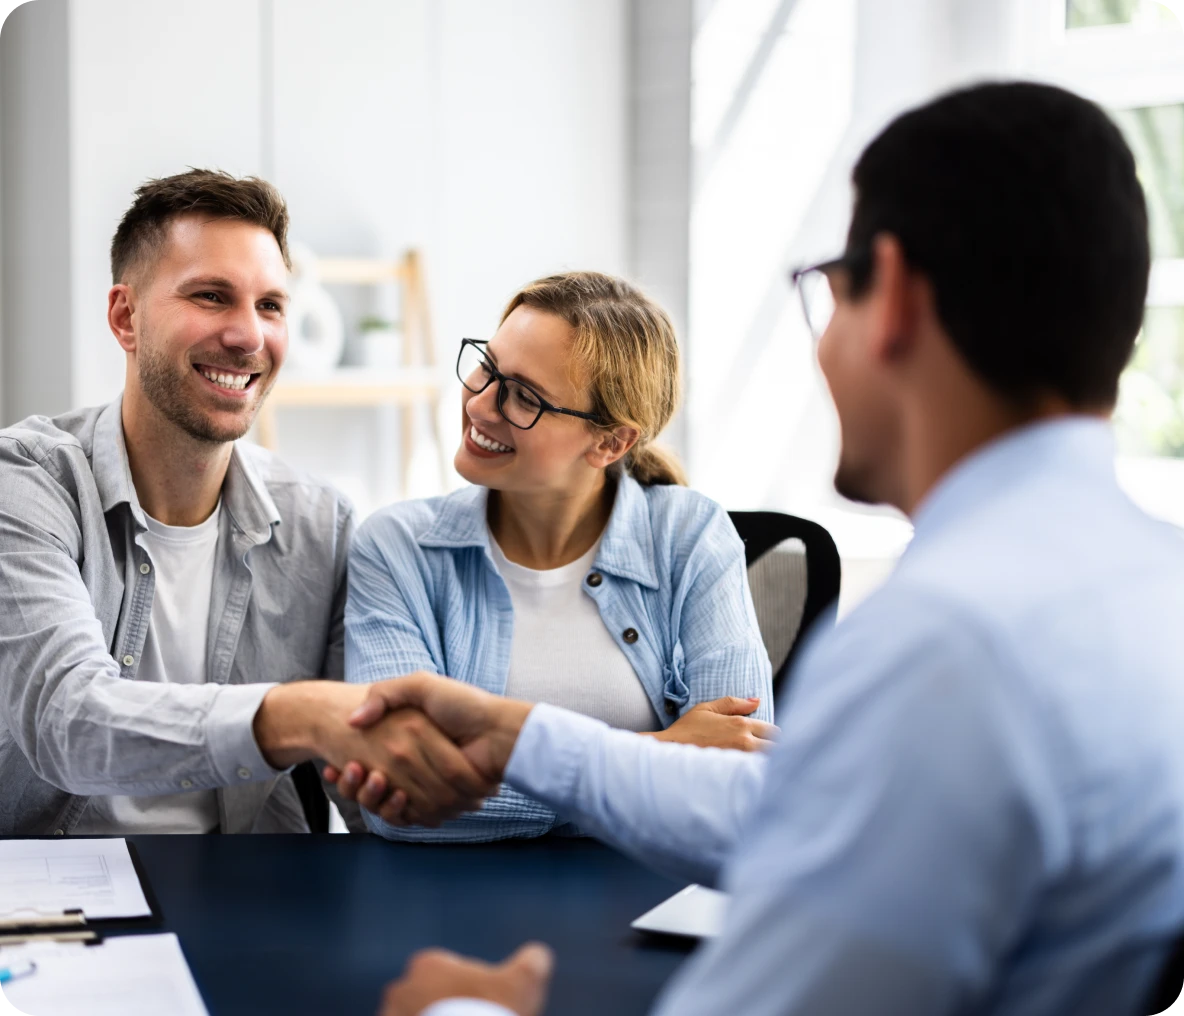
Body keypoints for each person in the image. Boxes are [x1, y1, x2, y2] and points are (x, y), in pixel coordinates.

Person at [331, 81, 1184, 1015]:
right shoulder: (1153, 590)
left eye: (829, 288)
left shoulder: (943, 650)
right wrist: (525, 741)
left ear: (890, 295)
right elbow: (791, 815)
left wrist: (472, 1009)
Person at [0, 169, 491, 836]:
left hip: (259, 898)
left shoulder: (323, 525)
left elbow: (377, 797)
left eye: (271, 306)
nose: (249, 337)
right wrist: (298, 716)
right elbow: (69, 723)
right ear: (126, 317)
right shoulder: (28, 483)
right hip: (59, 908)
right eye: (211, 296)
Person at [344, 271, 775, 841]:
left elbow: (739, 786)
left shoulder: (691, 536)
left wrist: (504, 780)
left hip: (645, 906)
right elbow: (395, 796)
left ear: (610, 442)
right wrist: (662, 752)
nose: (480, 403)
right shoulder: (397, 548)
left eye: (524, 396)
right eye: (487, 367)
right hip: (450, 903)